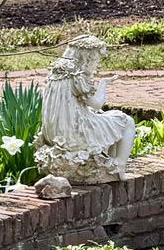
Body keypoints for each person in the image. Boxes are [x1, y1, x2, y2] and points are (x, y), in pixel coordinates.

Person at [35, 34, 135, 181]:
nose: (96, 64)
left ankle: (109, 165)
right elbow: (96, 103)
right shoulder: (77, 75)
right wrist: (103, 84)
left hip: (55, 134)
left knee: (106, 121)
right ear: (87, 58)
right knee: (126, 121)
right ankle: (119, 164)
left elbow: (69, 106)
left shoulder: (56, 71)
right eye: (95, 60)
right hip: (76, 134)